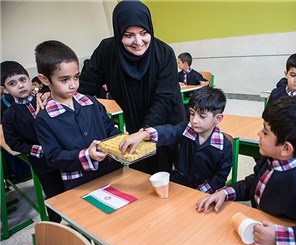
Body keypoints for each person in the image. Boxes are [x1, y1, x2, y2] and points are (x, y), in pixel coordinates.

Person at [196, 96, 296, 245]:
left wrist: (278, 238)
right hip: (259, 233)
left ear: (285, 148)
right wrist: (225, 192)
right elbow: (252, 184)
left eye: (265, 132)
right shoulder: (270, 159)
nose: (259, 134)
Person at [77, 0, 185, 175]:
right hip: (134, 123)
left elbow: (163, 99)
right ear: (119, 32)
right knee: (140, 174)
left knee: (167, 174)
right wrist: (54, 95)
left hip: (165, 124)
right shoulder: (107, 51)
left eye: (144, 33)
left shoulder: (164, 53)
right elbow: (85, 87)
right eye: (128, 35)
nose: (138, 42)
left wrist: (145, 132)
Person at [33, 40, 122, 191]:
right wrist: (87, 154)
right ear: (44, 79)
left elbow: (109, 128)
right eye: (64, 79)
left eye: (76, 77)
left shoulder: (91, 103)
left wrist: (120, 140)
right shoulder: (44, 118)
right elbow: (54, 156)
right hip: (79, 183)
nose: (73, 85)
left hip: (112, 171)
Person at [120, 87, 232, 193]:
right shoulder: (186, 129)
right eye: (192, 114)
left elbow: (220, 177)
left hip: (203, 193)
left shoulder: (224, 147)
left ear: (218, 118)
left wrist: (199, 192)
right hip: (177, 184)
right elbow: (169, 132)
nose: (194, 121)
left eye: (202, 116)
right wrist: (144, 133)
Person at [1, 61, 64, 222]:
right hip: (43, 164)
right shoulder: (9, 115)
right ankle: (55, 229)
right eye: (12, 83)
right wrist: (39, 149)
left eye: (23, 80)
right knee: (54, 198)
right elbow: (14, 142)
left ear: (30, 80)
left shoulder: (48, 98)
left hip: (65, 155)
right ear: (4, 89)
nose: (20, 86)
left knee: (73, 192)